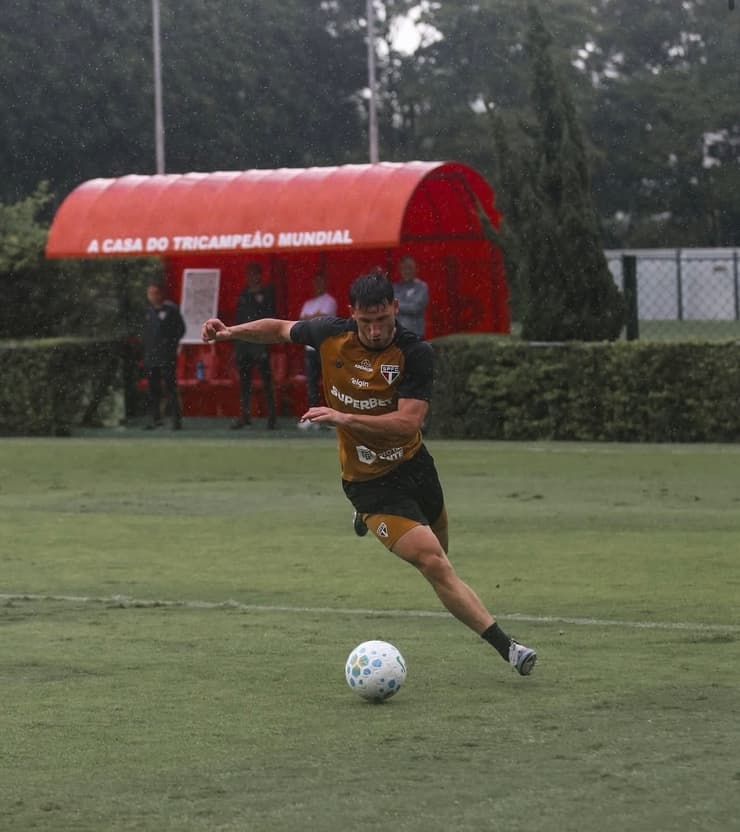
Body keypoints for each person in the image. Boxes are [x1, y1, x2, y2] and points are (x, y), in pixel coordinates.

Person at [201, 272, 537, 676]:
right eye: (366, 322)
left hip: (415, 468)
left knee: (443, 556)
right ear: (352, 314)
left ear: (396, 309)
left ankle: (367, 522)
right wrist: (229, 332)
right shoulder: (330, 333)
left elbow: (406, 424)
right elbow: (278, 328)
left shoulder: (415, 353)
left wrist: (342, 416)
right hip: (368, 483)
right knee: (435, 564)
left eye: (382, 320)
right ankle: (510, 648)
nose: (375, 330)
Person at [231, 262, 277, 429]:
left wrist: (266, 339)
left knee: (266, 381)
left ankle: (271, 417)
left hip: (260, 343)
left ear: (260, 275)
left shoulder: (267, 294)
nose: (252, 278)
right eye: (249, 274)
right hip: (243, 345)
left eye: (255, 274)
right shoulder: (243, 295)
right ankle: (244, 416)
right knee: (244, 382)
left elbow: (271, 318)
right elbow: (238, 320)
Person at [142, 282, 185, 430]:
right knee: (153, 389)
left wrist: (170, 345)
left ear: (161, 294)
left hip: (167, 357)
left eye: (155, 293)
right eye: (150, 293)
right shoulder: (147, 312)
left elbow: (181, 329)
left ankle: (176, 420)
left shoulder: (171, 310)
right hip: (151, 357)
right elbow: (144, 333)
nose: (152, 296)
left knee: (171, 387)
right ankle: (155, 419)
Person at [298, 271, 337, 423]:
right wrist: (314, 317)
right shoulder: (308, 303)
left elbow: (322, 319)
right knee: (311, 385)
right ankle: (313, 418)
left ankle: (334, 416)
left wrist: (310, 318)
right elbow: (301, 320)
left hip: (325, 349)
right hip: (309, 350)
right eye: (315, 283)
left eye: (320, 282)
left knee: (332, 384)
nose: (317, 286)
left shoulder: (330, 301)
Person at [393, 255, 429, 338]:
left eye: (410, 268)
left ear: (416, 269)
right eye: (404, 268)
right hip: (398, 334)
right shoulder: (395, 287)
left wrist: (396, 306)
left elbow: (415, 308)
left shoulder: (422, 287)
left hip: (416, 334)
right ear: (400, 270)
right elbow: (390, 306)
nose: (407, 271)